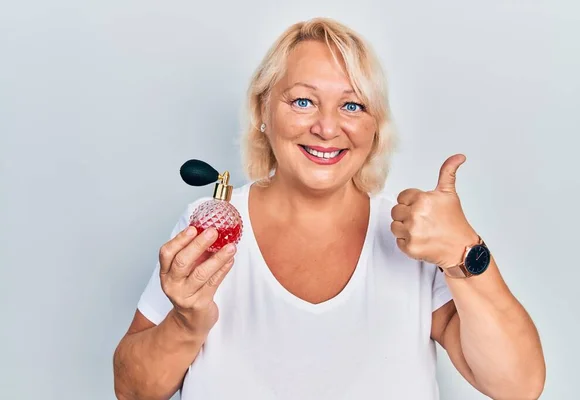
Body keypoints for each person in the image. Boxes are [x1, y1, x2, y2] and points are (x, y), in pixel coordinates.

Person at [113, 17, 546, 400]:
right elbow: (132, 391)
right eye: (302, 101)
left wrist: (465, 253)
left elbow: (518, 387)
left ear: (375, 128)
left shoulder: (412, 240)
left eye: (353, 105)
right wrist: (187, 322)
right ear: (262, 111)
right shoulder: (212, 225)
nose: (326, 127)